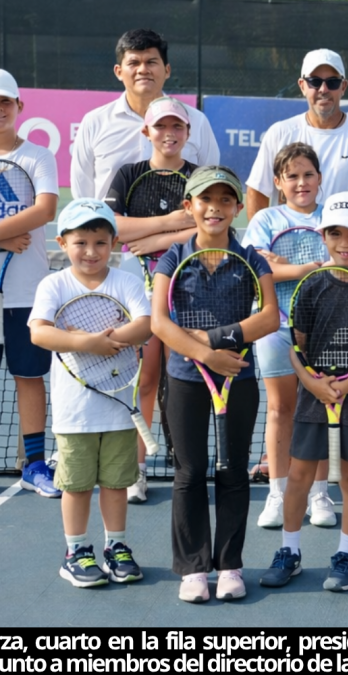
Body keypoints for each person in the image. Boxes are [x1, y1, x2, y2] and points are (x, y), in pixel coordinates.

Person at [150, 166, 279, 603]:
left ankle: (229, 566)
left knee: (233, 470)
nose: (215, 208)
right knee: (189, 472)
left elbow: (269, 318)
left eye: (226, 200)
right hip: (186, 378)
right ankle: (192, 568)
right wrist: (206, 354)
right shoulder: (172, 256)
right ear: (190, 206)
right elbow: (159, 322)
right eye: (206, 200)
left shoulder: (252, 260)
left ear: (238, 208)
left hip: (237, 380)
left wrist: (215, 340)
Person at [258, 193, 348, 593]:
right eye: (335, 233)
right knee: (298, 476)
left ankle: (347, 555)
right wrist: (314, 384)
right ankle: (289, 552)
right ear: (323, 236)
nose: (344, 242)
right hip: (314, 399)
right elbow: (295, 347)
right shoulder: (311, 286)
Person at [28, 200, 151, 587]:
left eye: (100, 241)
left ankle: (116, 546)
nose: (92, 251)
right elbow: (40, 332)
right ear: (63, 243)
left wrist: (106, 341)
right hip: (74, 411)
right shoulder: (54, 284)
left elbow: (145, 326)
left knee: (116, 483)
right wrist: (86, 343)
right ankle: (76, 552)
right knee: (77, 485)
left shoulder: (126, 282)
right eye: (81, 241)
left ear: (114, 242)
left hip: (118, 408)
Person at [104, 95, 199, 505]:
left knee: (185, 381)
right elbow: (112, 228)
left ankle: (189, 467)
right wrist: (169, 224)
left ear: (187, 132)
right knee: (146, 378)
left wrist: (151, 239)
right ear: (147, 132)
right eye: (161, 127)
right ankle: (136, 470)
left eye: (177, 126)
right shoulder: (128, 174)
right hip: (137, 292)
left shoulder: (200, 176)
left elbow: (206, 230)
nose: (169, 133)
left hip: (190, 290)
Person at [241, 142, 336, 530]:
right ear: (279, 182)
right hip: (273, 326)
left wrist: (282, 264)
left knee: (321, 409)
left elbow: (342, 264)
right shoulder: (265, 218)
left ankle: (319, 494)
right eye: (292, 176)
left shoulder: (332, 216)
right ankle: (278, 493)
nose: (301, 183)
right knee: (280, 409)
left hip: (323, 330)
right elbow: (256, 268)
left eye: (308, 175)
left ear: (319, 178)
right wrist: (308, 267)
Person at [246, 48, 348, 220]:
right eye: (314, 82)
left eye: (332, 82)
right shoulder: (279, 133)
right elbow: (257, 191)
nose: (323, 89)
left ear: (343, 86)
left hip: (345, 246)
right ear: (302, 86)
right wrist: (257, 242)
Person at [71, 29, 219, 200]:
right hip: (112, 226)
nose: (143, 70)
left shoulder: (197, 121)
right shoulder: (94, 122)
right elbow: (82, 195)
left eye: (151, 62)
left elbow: (209, 184)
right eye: (133, 63)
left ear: (167, 70)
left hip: (182, 226)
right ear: (119, 72)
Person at [0, 70, 58, 498]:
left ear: (20, 107)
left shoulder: (38, 156)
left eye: (5, 101)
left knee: (28, 376)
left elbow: (44, 211)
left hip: (26, 290)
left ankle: (35, 464)